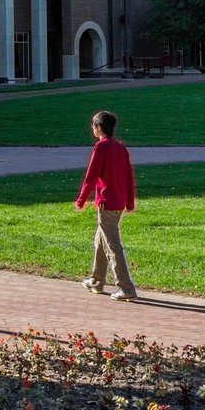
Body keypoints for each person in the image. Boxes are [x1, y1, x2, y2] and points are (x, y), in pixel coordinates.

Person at [74, 109, 137, 301]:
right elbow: (128, 176)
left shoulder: (101, 147)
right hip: (118, 203)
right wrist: (129, 202)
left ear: (99, 127)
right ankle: (96, 280)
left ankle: (126, 289)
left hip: (106, 203)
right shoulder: (121, 148)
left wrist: (81, 199)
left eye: (93, 125)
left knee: (113, 246)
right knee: (100, 241)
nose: (92, 128)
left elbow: (91, 176)